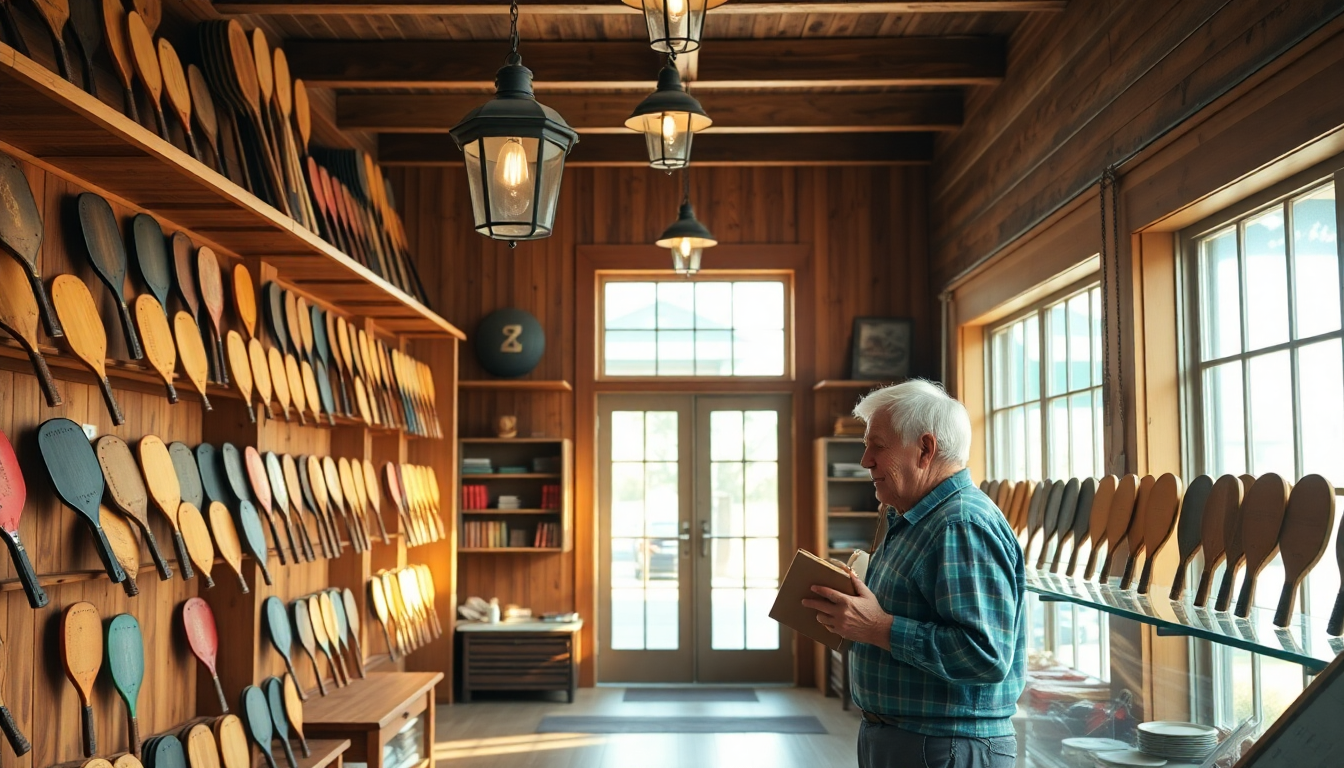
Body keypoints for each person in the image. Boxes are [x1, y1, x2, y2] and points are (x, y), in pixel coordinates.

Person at [803, 380, 1024, 768]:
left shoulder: (959, 524)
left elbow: (985, 655)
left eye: (878, 446)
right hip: (912, 740)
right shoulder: (911, 517)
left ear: (925, 450)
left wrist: (877, 627)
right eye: (864, 446)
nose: (865, 460)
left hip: (944, 746)